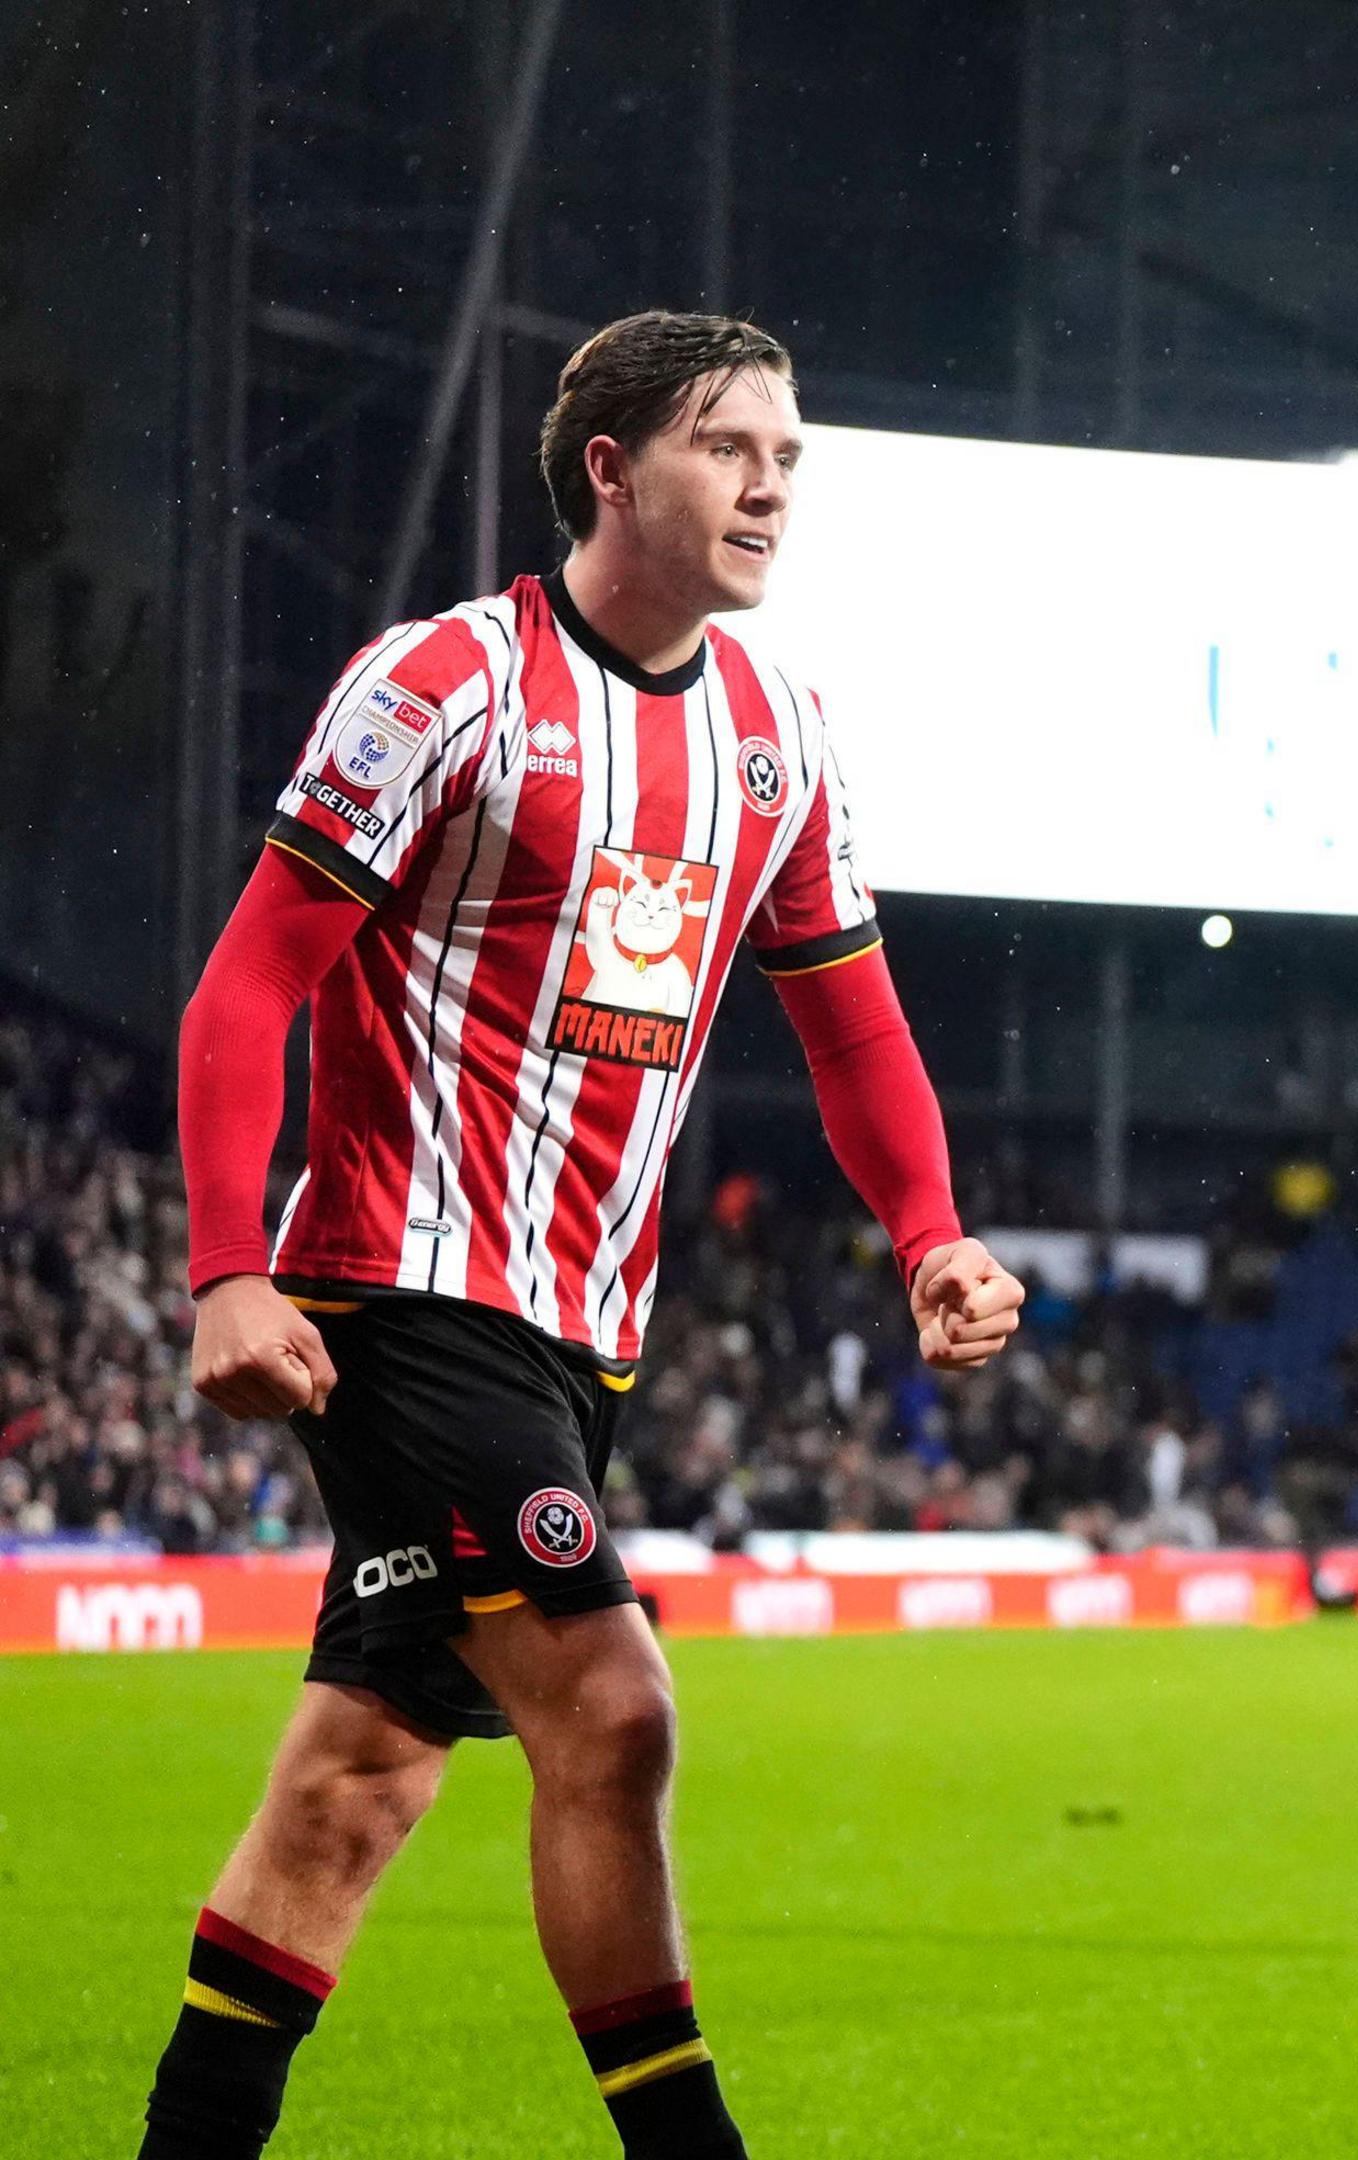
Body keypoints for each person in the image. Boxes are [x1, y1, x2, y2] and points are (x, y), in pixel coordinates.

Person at [148, 312, 1024, 2160]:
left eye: (791, 455)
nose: (773, 484)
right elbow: (251, 987)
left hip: (582, 1332)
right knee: (613, 1712)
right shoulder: (443, 686)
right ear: (614, 469)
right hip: (402, 1285)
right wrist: (229, 1261)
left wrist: (928, 1235)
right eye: (731, 448)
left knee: (357, 1788)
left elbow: (852, 1021)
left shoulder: (779, 733)